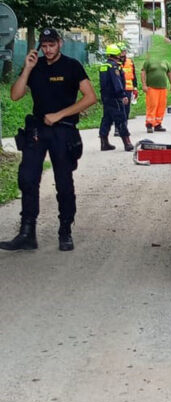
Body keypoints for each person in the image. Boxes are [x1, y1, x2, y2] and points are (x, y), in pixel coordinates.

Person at [1, 27, 97, 253]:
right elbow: (15, 95)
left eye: (52, 45)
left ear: (60, 43)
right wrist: (27, 68)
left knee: (63, 182)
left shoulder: (72, 66)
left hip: (63, 130)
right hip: (37, 130)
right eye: (44, 46)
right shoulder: (36, 66)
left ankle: (65, 231)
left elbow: (90, 97)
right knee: (27, 178)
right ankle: (27, 233)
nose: (48, 50)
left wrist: (60, 115)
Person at [98, 45, 134, 153]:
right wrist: (123, 95)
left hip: (105, 97)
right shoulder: (114, 67)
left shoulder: (104, 66)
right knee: (121, 118)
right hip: (115, 97)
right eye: (119, 54)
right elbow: (117, 82)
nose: (121, 56)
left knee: (107, 119)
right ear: (116, 55)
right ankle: (127, 143)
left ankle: (104, 143)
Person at [141, 47, 171, 132]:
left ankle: (158, 124)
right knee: (152, 106)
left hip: (163, 88)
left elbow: (170, 73)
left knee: (161, 107)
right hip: (152, 88)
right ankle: (149, 124)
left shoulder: (165, 62)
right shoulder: (148, 61)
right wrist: (144, 85)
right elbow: (143, 72)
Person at [115, 46, 138, 137]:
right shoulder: (115, 63)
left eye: (124, 51)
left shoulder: (130, 62)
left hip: (128, 89)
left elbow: (134, 75)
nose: (122, 53)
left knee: (126, 110)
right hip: (118, 89)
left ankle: (124, 127)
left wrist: (135, 87)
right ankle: (117, 128)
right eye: (121, 52)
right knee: (118, 108)